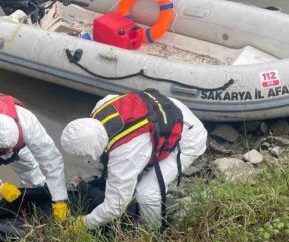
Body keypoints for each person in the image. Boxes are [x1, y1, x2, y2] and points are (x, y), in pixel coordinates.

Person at [60, 89, 207, 230]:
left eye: (82, 153)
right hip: (167, 110)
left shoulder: (126, 153)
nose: (83, 156)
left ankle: (151, 232)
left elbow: (115, 207)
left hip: (188, 137)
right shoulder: (100, 107)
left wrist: (83, 223)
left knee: (147, 193)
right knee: (133, 179)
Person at [0, 93, 69, 223]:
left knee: (29, 168)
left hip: (13, 138)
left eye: (11, 147)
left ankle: (36, 193)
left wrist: (59, 198)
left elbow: (52, 160)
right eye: (3, 150)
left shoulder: (27, 122)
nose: (9, 152)